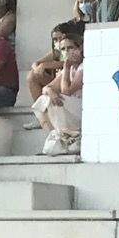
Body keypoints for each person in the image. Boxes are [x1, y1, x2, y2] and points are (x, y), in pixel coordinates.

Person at [30, 24, 84, 156]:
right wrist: (51, 92)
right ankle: (58, 138)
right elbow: (46, 88)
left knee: (52, 100)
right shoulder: (70, 67)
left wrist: (66, 68)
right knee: (43, 100)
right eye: (63, 49)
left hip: (82, 109)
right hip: (70, 108)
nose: (67, 52)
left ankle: (66, 138)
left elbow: (67, 91)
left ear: (80, 48)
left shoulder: (83, 67)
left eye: (70, 48)